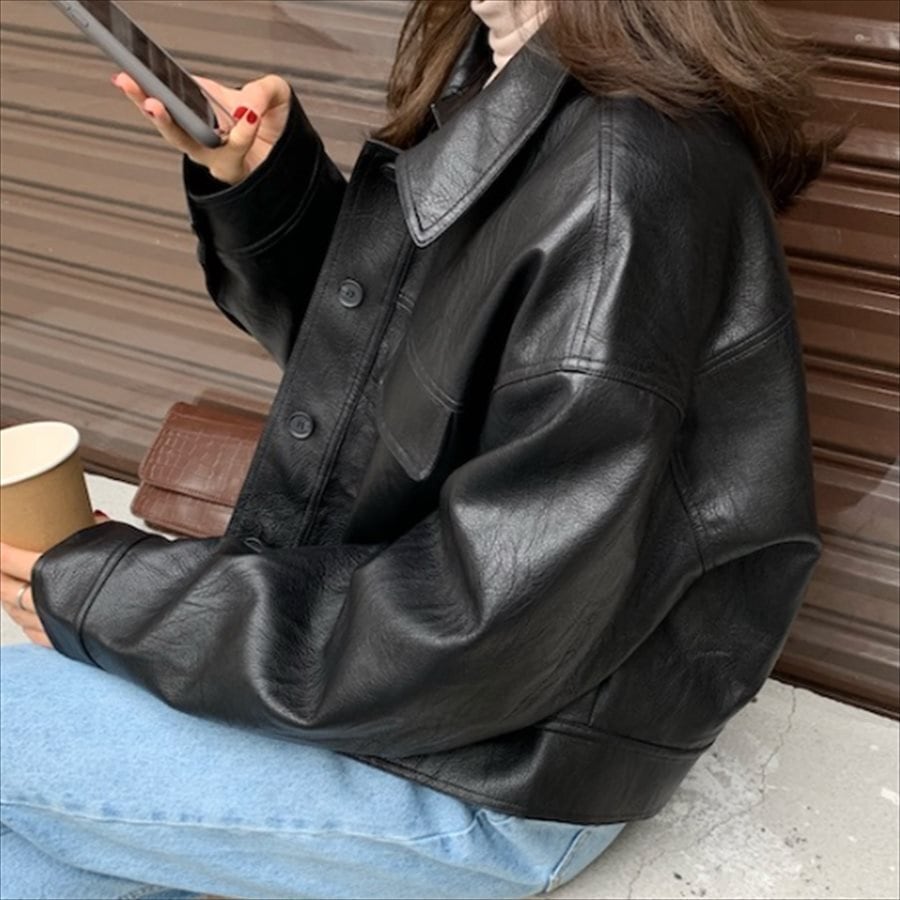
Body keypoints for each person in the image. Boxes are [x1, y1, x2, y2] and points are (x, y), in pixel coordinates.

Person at [0, 1, 841, 898]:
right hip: (409, 694)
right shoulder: (503, 64)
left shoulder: (621, 180)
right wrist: (269, 188)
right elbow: (406, 381)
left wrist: (118, 598)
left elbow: (485, 620)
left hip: (499, 772)